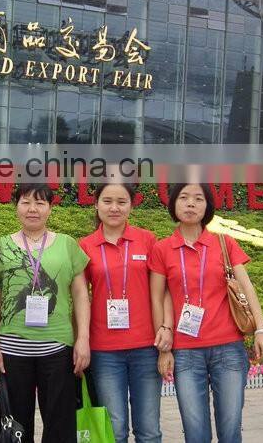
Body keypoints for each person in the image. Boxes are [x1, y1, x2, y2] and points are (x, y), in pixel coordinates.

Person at [150, 184, 263, 443]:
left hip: (228, 349)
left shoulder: (224, 243)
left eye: (198, 199)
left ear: (207, 206)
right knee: (195, 433)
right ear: (173, 204)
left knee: (230, 430)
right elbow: (159, 298)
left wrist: (262, 329)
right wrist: (164, 347)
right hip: (186, 353)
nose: (190, 204)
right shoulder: (162, 249)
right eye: (184, 198)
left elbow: (247, 287)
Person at [0, 183, 90, 443]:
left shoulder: (67, 244)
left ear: (50, 208)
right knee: (15, 427)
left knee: (60, 425)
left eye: (40, 203)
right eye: (25, 202)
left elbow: (81, 294)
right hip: (12, 349)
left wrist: (83, 339)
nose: (32, 209)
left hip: (57, 348)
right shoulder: (1, 246)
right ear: (16, 207)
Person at [78, 183, 172, 443]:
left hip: (146, 347)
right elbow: (80, 298)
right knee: (115, 430)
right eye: (107, 201)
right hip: (105, 352)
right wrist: (80, 341)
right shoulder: (85, 245)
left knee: (149, 430)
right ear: (96, 204)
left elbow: (163, 291)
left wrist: (166, 332)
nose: (114, 208)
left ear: (131, 204)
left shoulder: (147, 240)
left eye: (122, 202)